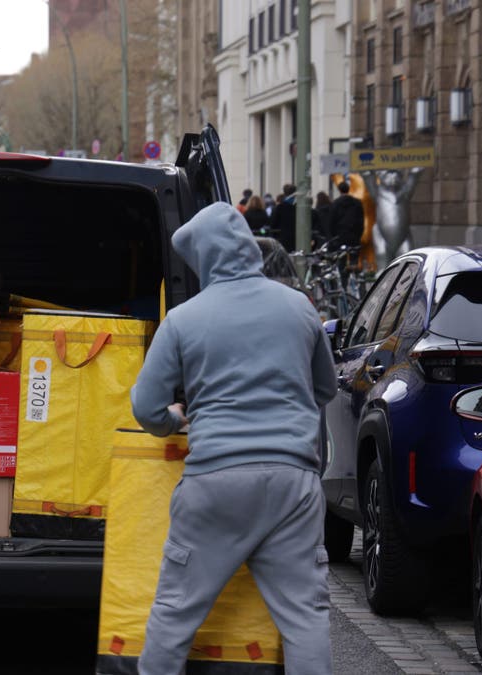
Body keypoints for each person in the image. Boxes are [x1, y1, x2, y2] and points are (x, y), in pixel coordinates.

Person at [131, 202, 338, 675]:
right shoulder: (299, 308)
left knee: (176, 612)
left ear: (201, 258)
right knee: (305, 618)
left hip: (215, 482)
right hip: (293, 482)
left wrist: (176, 419)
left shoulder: (184, 319)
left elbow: (146, 406)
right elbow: (325, 389)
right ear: (247, 246)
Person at [329, 181, 366, 251]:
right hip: (354, 235)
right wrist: (359, 234)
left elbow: (332, 221)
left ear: (339, 190)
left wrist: (334, 236)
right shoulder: (357, 203)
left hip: (340, 235)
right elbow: (361, 220)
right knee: (353, 257)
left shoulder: (335, 204)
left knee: (341, 258)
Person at [270, 182, 297, 252]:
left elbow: (273, 223)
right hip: (298, 238)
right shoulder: (301, 206)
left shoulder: (280, 207)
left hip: (284, 238)